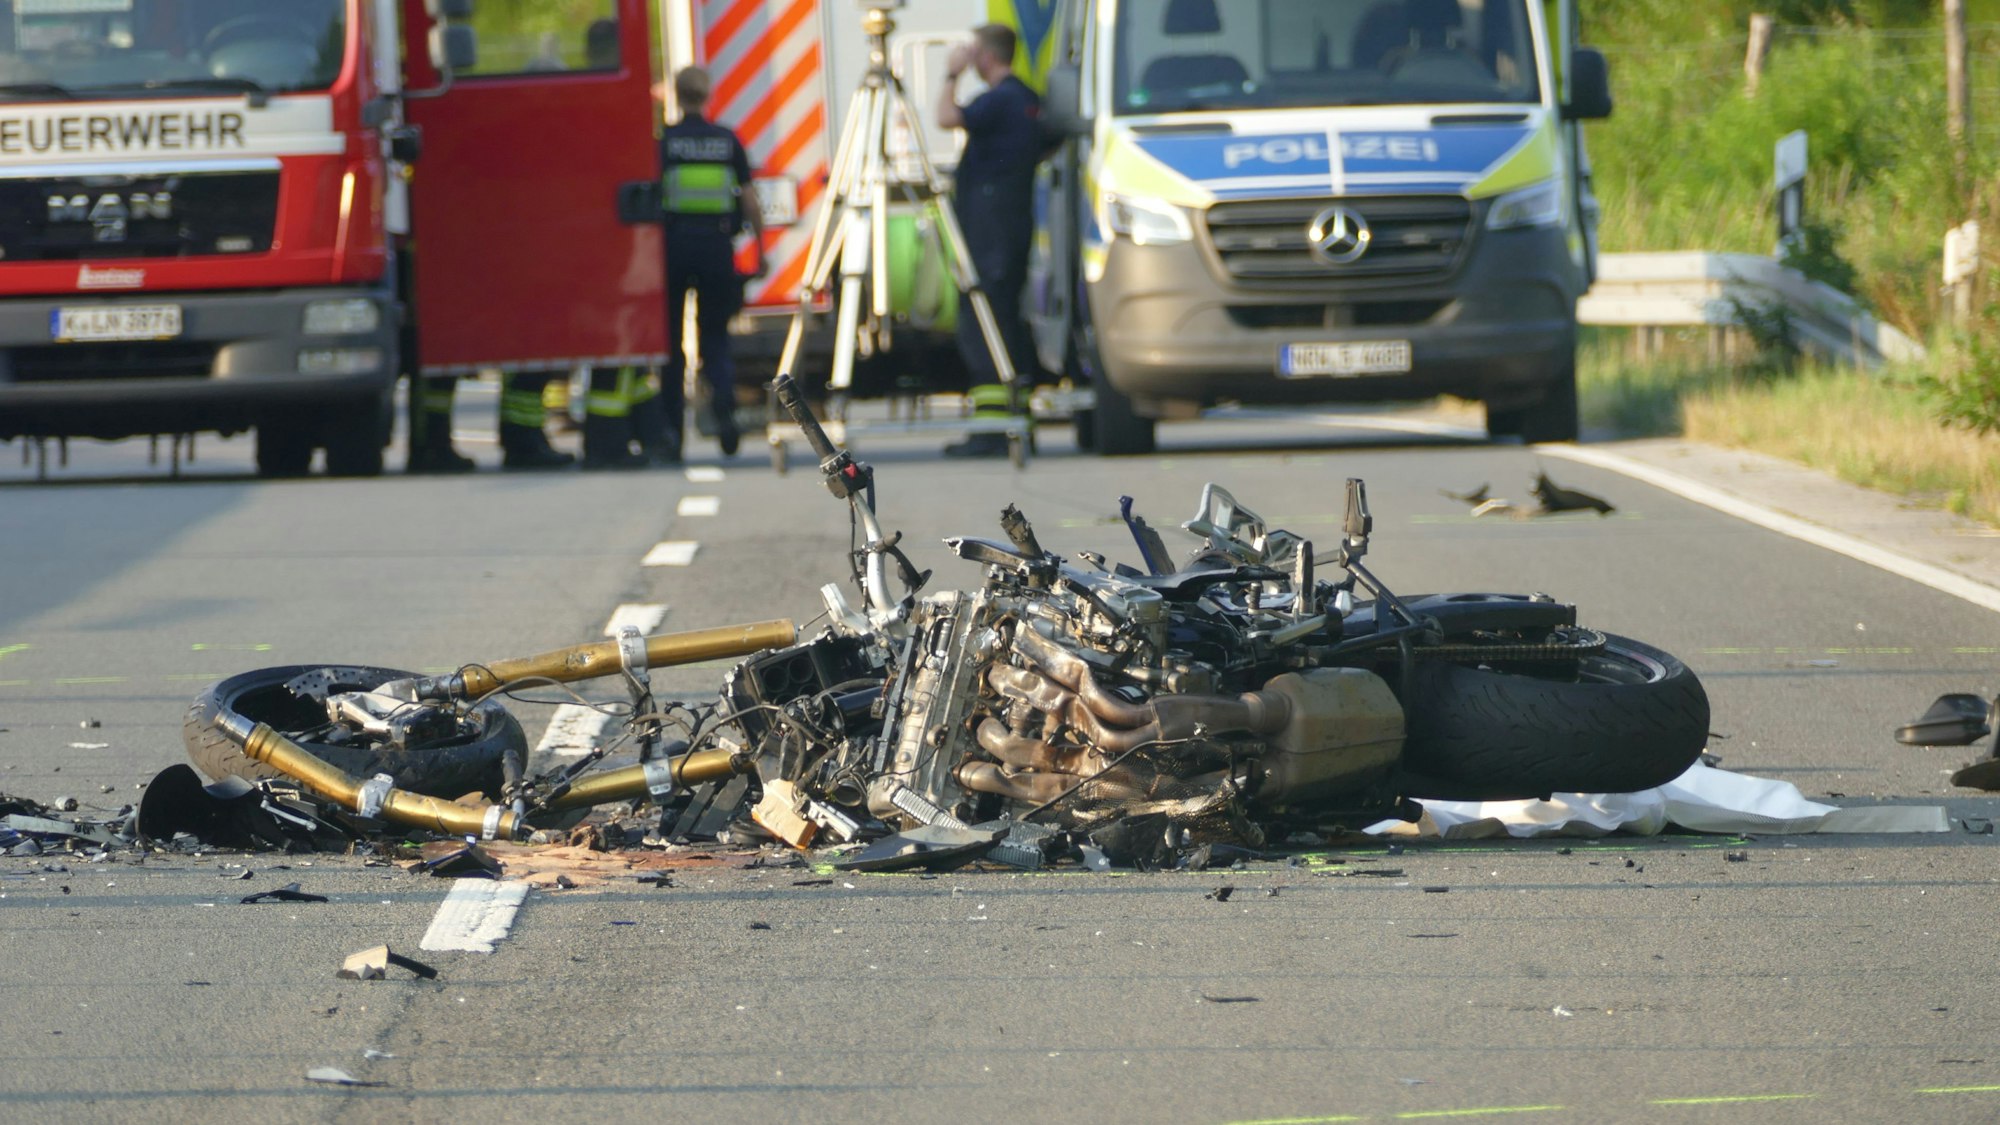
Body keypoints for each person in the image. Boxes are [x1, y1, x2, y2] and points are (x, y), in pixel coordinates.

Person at [935, 23, 1042, 458]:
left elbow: (945, 118)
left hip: (988, 233)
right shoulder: (1027, 99)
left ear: (984, 55)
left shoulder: (997, 100)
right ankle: (1017, 422)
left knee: (981, 325)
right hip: (1010, 228)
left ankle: (991, 432)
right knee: (1006, 323)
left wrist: (950, 74)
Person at [656, 66, 765, 461]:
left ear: (676, 94)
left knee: (670, 341)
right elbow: (750, 200)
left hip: (672, 248)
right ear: (707, 94)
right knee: (715, 336)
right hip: (717, 248)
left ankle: (671, 432)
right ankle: (724, 408)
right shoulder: (726, 140)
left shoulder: (664, 141)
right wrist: (762, 248)